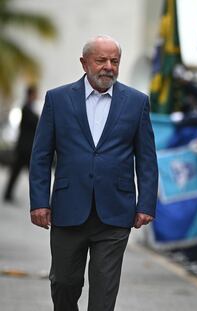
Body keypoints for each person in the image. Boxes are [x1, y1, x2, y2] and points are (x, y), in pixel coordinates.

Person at [29, 35, 158, 311]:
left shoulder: (136, 103)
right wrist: (39, 201)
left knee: (103, 294)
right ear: (84, 62)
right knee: (64, 284)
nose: (108, 66)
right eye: (101, 60)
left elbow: (146, 159)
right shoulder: (58, 99)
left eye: (115, 61)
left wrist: (146, 203)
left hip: (115, 213)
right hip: (68, 209)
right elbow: (40, 156)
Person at [3, 85, 39, 203]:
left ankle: (8, 194)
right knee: (32, 174)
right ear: (30, 95)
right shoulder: (26, 108)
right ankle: (9, 194)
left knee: (18, 172)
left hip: (26, 148)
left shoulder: (29, 108)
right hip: (25, 148)